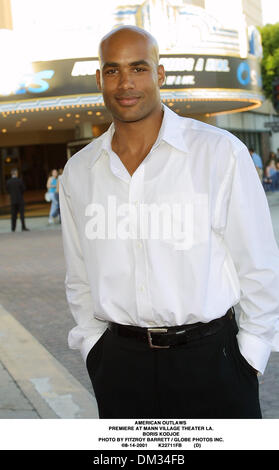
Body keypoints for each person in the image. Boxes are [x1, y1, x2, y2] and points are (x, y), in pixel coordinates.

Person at [59, 26, 279, 419]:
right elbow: (79, 276)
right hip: (120, 368)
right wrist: (95, 350)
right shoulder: (79, 172)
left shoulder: (218, 153)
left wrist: (250, 356)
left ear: (160, 74)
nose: (125, 83)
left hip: (214, 362)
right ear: (99, 79)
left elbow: (259, 265)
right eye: (112, 70)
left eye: (139, 68)